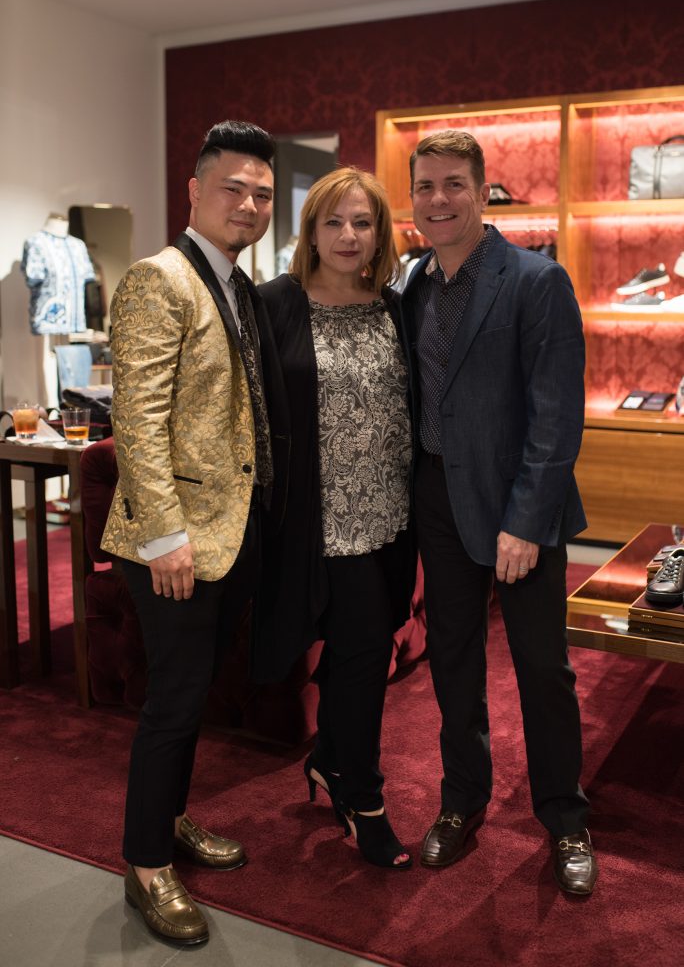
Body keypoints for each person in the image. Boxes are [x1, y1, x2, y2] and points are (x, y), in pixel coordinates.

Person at [101, 120, 289, 945]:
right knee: (173, 703)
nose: (248, 204)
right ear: (195, 191)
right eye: (233, 188)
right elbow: (136, 419)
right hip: (173, 541)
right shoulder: (159, 277)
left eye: (262, 195)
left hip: (230, 531)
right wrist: (163, 537)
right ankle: (145, 866)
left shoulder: (240, 284)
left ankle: (171, 819)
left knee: (195, 695)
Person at [401, 130, 598, 895]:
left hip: (521, 509)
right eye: (425, 186)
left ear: (484, 192)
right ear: (412, 198)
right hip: (438, 502)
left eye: (454, 184)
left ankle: (565, 816)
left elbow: (556, 414)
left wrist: (525, 520)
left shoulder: (536, 281)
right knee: (453, 661)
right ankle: (462, 800)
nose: (439, 199)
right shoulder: (412, 283)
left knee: (542, 669)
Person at [258, 167, 415, 870]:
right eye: (334, 222)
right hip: (316, 522)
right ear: (311, 231)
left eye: (363, 222)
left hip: (390, 516)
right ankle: (363, 795)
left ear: (380, 233)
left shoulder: (396, 307)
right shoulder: (275, 305)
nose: (349, 235)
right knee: (364, 653)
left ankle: (327, 758)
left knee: (366, 648)